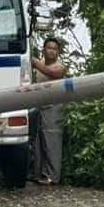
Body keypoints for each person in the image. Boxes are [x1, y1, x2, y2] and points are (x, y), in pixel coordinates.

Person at [29, 37, 67, 185]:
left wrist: (35, 62)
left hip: (53, 108)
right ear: (44, 50)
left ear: (58, 52)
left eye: (54, 48)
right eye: (48, 48)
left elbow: (53, 74)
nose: (51, 51)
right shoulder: (38, 67)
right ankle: (38, 174)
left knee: (52, 143)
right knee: (38, 143)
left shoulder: (60, 67)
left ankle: (52, 176)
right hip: (39, 108)